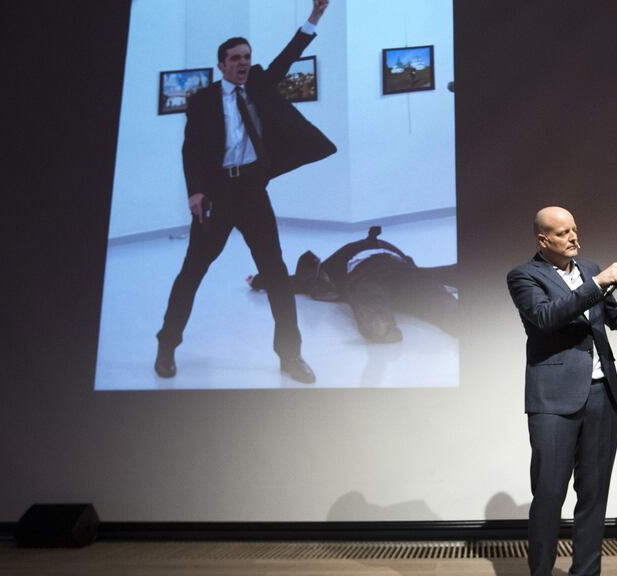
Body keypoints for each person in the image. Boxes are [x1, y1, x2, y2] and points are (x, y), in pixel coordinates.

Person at [154, 0, 336, 384]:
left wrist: (314, 17)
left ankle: (291, 356)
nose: (241, 63)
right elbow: (190, 149)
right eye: (235, 58)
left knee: (276, 273)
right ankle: (167, 345)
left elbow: (289, 57)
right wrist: (196, 192)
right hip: (217, 195)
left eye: (247, 57)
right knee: (192, 272)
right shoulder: (202, 101)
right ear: (221, 63)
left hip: (252, 190)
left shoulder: (258, 85)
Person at [507, 206, 617, 576]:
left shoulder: (591, 268)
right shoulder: (523, 276)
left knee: (594, 497)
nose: (573, 237)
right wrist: (597, 285)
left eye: (575, 229)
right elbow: (546, 317)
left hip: (601, 395)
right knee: (548, 496)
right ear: (543, 240)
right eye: (563, 233)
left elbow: (613, 317)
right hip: (553, 400)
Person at [248, 226, 459, 343]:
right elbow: (295, 281)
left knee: (422, 290)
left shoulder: (343, 257)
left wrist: (259, 280)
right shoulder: (352, 255)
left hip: (384, 272)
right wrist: (260, 280)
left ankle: (380, 325)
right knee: (414, 290)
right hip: (373, 272)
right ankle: (380, 325)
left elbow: (295, 281)